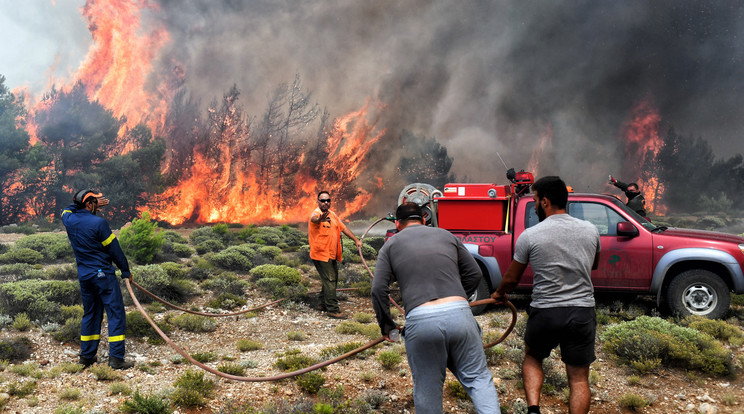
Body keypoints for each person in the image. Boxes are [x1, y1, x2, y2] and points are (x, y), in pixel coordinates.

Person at [372, 202, 501, 414]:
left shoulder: (390, 245)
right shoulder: (446, 235)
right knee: (478, 379)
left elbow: (378, 290)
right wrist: (459, 299)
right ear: (424, 219)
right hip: (460, 314)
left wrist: (388, 327)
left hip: (421, 321)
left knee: (427, 389)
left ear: (397, 223)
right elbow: (475, 274)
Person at [491, 176, 600, 414]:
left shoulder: (531, 235)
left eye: (536, 199)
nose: (536, 204)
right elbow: (594, 265)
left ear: (546, 202)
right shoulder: (591, 230)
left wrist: (499, 293)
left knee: (532, 357)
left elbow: (511, 279)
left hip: (547, 311)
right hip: (581, 312)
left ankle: (533, 410)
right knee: (579, 379)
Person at [61, 189, 134, 370]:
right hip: (103, 276)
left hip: (85, 277)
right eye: (95, 202)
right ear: (89, 204)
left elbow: (66, 210)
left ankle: (86, 357)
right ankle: (116, 358)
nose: (97, 205)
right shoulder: (99, 223)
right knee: (115, 314)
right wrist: (125, 270)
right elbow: (114, 249)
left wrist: (81, 203)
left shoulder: (69, 220)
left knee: (91, 314)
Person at [308, 190, 363, 319]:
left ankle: (322, 303)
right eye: (323, 200)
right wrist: (320, 219)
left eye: (328, 200)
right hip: (321, 255)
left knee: (330, 279)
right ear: (318, 202)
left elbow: (343, 228)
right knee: (330, 279)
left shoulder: (332, 215)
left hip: (331, 254)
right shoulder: (316, 213)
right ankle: (332, 309)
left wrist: (356, 240)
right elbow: (314, 219)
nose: (326, 203)